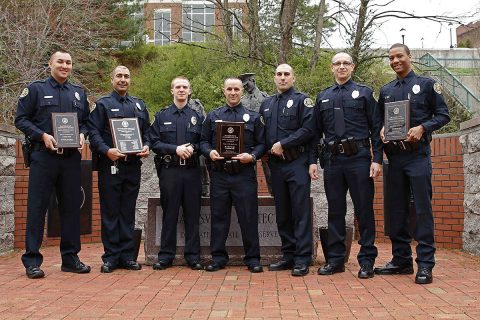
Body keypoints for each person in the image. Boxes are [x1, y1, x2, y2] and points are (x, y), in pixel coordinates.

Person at [374, 43, 450, 284]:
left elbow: (443, 115)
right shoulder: (386, 90)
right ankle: (401, 260)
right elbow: (378, 123)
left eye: (399, 56)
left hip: (417, 156)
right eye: (391, 58)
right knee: (396, 209)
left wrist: (422, 127)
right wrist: (383, 130)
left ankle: (425, 264)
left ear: (410, 57)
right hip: (394, 158)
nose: (395, 61)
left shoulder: (427, 85)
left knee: (421, 209)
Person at [15, 50, 91, 279]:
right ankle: (32, 261)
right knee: (37, 207)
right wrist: (42, 136)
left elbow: (86, 122)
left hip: (70, 159)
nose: (65, 65)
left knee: (71, 208)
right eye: (60, 61)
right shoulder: (36, 89)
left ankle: (70, 258)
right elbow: (21, 119)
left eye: (69, 62)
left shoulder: (78, 93)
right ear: (50, 64)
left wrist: (82, 136)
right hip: (43, 157)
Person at [309, 52, 382, 279]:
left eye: (345, 63)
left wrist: (377, 159)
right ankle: (336, 260)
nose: (341, 67)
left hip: (359, 159)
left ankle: (367, 261)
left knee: (364, 210)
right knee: (335, 211)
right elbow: (315, 133)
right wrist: (312, 160)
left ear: (352, 66)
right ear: (332, 68)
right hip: (332, 162)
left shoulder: (364, 93)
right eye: (337, 64)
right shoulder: (322, 97)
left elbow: (377, 128)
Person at [88, 66, 151, 273]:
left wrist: (146, 146)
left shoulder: (139, 105)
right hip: (111, 165)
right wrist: (107, 151)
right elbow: (93, 133)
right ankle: (111, 257)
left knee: (127, 212)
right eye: (119, 76)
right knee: (110, 212)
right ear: (112, 79)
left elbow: (148, 133)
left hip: (132, 166)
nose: (123, 80)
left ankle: (127, 255)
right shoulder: (103, 105)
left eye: (126, 76)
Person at [200, 77, 266, 273]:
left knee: (248, 218)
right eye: (229, 89)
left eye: (236, 89)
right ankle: (218, 257)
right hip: (219, 175)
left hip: (244, 174)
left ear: (242, 92)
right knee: (219, 218)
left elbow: (262, 143)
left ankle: (253, 258)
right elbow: (203, 141)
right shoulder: (213, 116)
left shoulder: (253, 117)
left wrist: (253, 156)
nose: (233, 92)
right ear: (224, 91)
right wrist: (210, 152)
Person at [259, 64, 315, 276]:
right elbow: (261, 134)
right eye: (279, 74)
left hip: (297, 163)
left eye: (286, 74)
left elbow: (309, 130)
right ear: (274, 78)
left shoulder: (303, 101)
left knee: (300, 211)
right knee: (282, 212)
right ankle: (288, 255)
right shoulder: (267, 104)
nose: (282, 78)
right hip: (276, 165)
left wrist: (284, 143)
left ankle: (303, 258)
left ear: (293, 77)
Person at [150, 77, 204, 271]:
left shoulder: (198, 117)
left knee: (192, 215)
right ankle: (165, 256)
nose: (181, 90)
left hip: (191, 172)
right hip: (170, 171)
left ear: (190, 91)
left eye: (185, 87)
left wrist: (193, 147)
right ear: (171, 90)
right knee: (169, 214)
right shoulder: (162, 116)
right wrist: (175, 149)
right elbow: (154, 142)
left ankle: (193, 256)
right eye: (178, 87)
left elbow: (204, 142)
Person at [239, 72, 273, 195]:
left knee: (270, 174)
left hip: (264, 140)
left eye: (247, 84)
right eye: (244, 85)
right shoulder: (241, 100)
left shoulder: (266, 98)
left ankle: (273, 197)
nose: (246, 87)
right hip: (248, 142)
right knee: (248, 177)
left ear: (253, 81)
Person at [187, 95, 210, 197]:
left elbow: (204, 121)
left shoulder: (196, 104)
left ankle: (205, 187)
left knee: (202, 163)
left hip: (199, 141)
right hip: (186, 141)